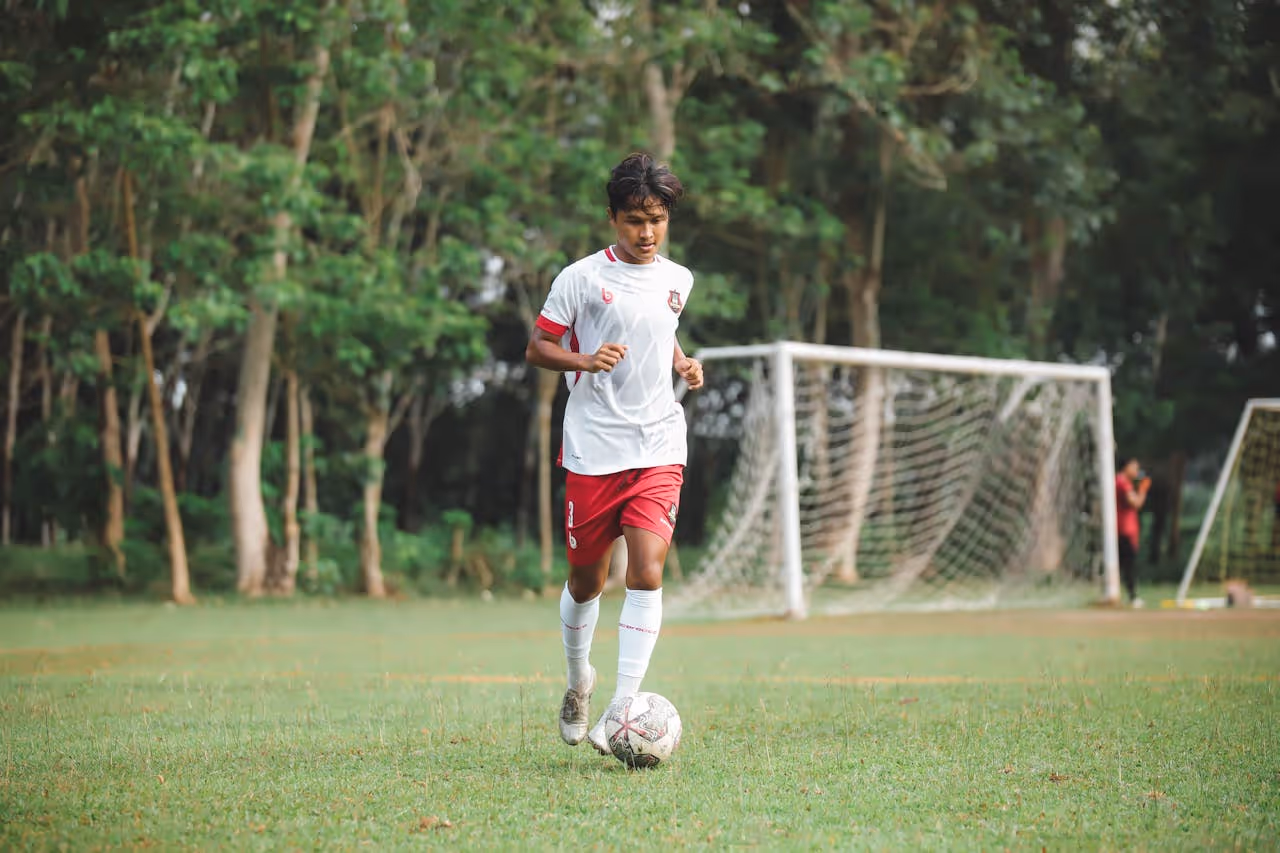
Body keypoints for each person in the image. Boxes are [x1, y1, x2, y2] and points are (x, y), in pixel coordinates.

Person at [524, 152, 704, 755]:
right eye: (633, 220)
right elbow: (539, 347)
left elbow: (659, 326)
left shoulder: (679, 279)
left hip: (658, 441)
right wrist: (584, 360)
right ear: (612, 218)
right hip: (594, 448)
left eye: (656, 219)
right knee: (586, 582)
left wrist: (682, 362)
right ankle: (579, 683)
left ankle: (620, 710)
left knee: (647, 570)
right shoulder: (577, 279)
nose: (646, 232)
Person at [1115, 456, 1151, 607]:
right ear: (1126, 466)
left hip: (1124, 529)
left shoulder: (1120, 481)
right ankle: (1132, 597)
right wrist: (1143, 489)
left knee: (1125, 564)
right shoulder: (1123, 482)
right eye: (1135, 467)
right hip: (1124, 530)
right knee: (1128, 564)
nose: (1137, 471)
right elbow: (1136, 503)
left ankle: (1127, 595)